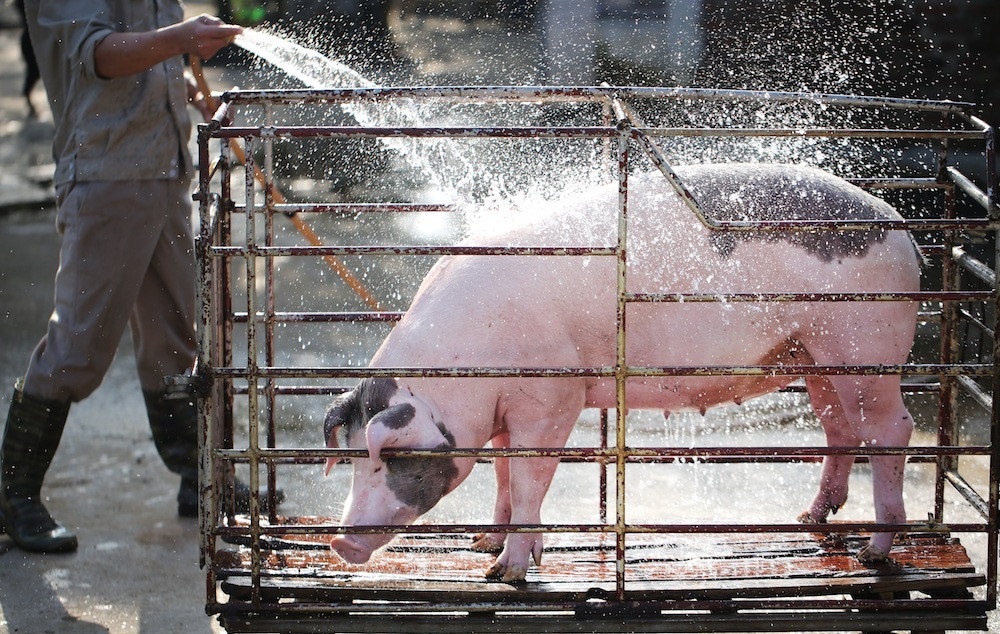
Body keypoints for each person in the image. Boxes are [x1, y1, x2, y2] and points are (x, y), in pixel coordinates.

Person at [3, 2, 278, 554]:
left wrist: (200, 98)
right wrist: (182, 37)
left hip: (164, 169)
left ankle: (197, 480)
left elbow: (154, 64)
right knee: (78, 346)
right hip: (106, 177)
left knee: (175, 338)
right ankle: (14, 497)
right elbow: (99, 56)